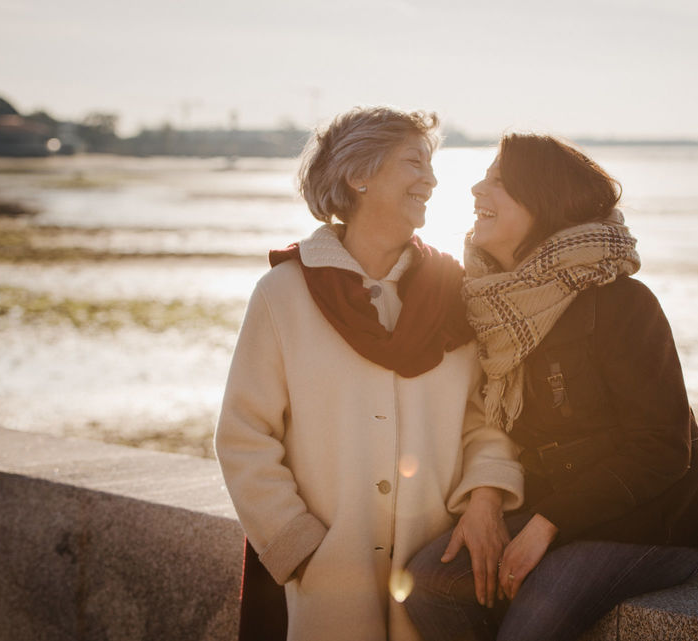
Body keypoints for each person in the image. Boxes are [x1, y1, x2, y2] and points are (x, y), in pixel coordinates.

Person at [215, 107, 524, 641]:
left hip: (435, 570)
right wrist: (301, 548)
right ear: (359, 175)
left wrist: (486, 497)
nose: (430, 179)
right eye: (413, 162)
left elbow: (485, 420)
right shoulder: (284, 294)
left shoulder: (456, 291)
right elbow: (245, 435)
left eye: (431, 165)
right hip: (328, 580)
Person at [404, 134, 698, 641]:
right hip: (562, 511)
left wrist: (546, 523)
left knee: (533, 613)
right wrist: (486, 499)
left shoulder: (623, 303)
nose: (474, 189)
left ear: (541, 203)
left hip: (656, 525)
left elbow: (662, 451)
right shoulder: (492, 307)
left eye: (498, 182)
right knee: (430, 580)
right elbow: (492, 424)